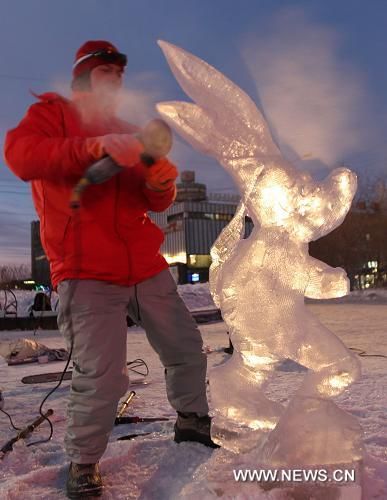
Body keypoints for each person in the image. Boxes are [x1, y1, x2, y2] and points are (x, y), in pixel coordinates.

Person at [4, 40, 218, 499]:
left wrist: (162, 184)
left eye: (120, 76)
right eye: (107, 73)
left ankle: (193, 424)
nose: (116, 82)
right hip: (86, 271)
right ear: (84, 76)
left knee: (185, 346)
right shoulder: (52, 115)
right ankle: (83, 464)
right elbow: (21, 156)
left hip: (143, 263)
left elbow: (154, 200)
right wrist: (94, 146)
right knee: (102, 374)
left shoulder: (129, 129)